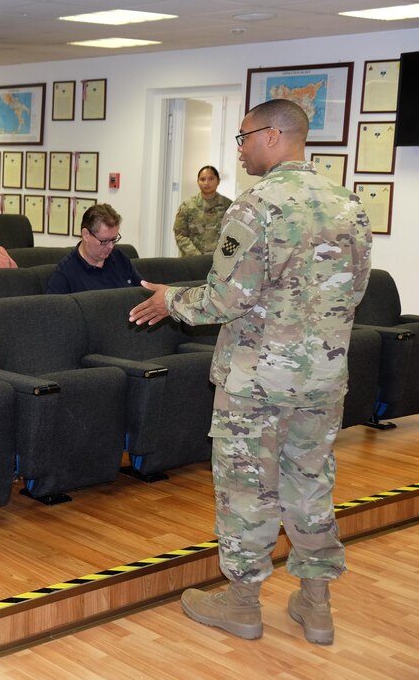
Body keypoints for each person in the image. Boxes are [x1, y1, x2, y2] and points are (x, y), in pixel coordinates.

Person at [129, 99, 372, 646]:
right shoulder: (348, 204)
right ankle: (316, 604)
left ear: (271, 135)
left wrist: (172, 301)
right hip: (323, 378)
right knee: (310, 485)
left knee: (248, 489)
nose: (238, 149)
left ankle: (241, 603)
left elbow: (226, 298)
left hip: (258, 380)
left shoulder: (255, 207)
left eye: (242, 138)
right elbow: (355, 290)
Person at [45, 203, 141, 294]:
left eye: (114, 240)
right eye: (105, 241)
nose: (111, 247)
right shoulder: (64, 274)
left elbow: (143, 293)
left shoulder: (120, 258)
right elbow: (52, 310)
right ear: (86, 235)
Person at [173, 165, 231, 256]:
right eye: (202, 179)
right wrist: (196, 256)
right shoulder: (187, 206)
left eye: (211, 179)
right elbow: (180, 235)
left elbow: (234, 234)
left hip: (219, 263)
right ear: (198, 182)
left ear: (218, 181)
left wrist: (223, 257)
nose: (206, 183)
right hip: (192, 262)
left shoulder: (229, 206)